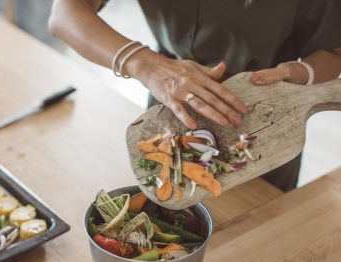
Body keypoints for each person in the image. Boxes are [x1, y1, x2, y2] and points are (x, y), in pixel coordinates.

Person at [48, 0, 341, 191]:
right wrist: (147, 65)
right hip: (170, 109)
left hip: (264, 125)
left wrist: (299, 74)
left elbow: (332, 51)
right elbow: (65, 14)